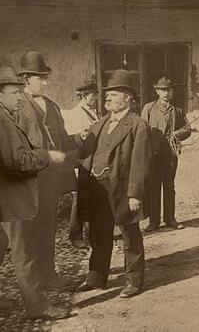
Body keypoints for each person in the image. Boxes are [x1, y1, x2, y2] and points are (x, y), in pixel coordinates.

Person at [0, 66, 70, 320]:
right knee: (24, 253)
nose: (19, 97)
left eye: (19, 91)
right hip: (10, 200)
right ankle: (38, 306)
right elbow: (16, 161)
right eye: (14, 92)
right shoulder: (0, 121)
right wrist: (46, 155)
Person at [76, 69, 152, 298]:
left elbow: (141, 162)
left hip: (122, 190)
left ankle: (134, 281)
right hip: (98, 188)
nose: (107, 97)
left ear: (128, 98)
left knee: (130, 235)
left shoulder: (138, 125)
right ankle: (96, 277)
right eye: (107, 94)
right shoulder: (99, 124)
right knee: (99, 233)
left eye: (114, 94)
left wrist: (135, 194)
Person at [14, 50, 77, 289]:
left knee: (48, 226)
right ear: (26, 79)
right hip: (28, 178)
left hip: (50, 178)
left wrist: (80, 139)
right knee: (27, 231)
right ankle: (33, 282)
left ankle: (48, 274)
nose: (46, 82)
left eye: (46, 77)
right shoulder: (17, 106)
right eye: (41, 78)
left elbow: (61, 138)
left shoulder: (53, 105)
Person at [141, 76, 191, 232]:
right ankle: (154, 221)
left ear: (172, 91)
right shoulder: (148, 108)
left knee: (169, 186)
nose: (166, 94)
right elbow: (141, 129)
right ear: (157, 91)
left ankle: (170, 219)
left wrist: (178, 134)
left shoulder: (178, 110)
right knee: (153, 187)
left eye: (169, 90)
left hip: (170, 155)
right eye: (163, 90)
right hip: (153, 155)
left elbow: (187, 129)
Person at [62, 75, 100, 249]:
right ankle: (75, 236)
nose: (95, 98)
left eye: (95, 94)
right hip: (80, 160)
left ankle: (91, 233)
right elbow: (73, 139)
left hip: (91, 160)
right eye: (92, 95)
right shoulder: (75, 114)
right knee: (78, 200)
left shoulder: (94, 112)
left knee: (90, 199)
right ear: (82, 96)